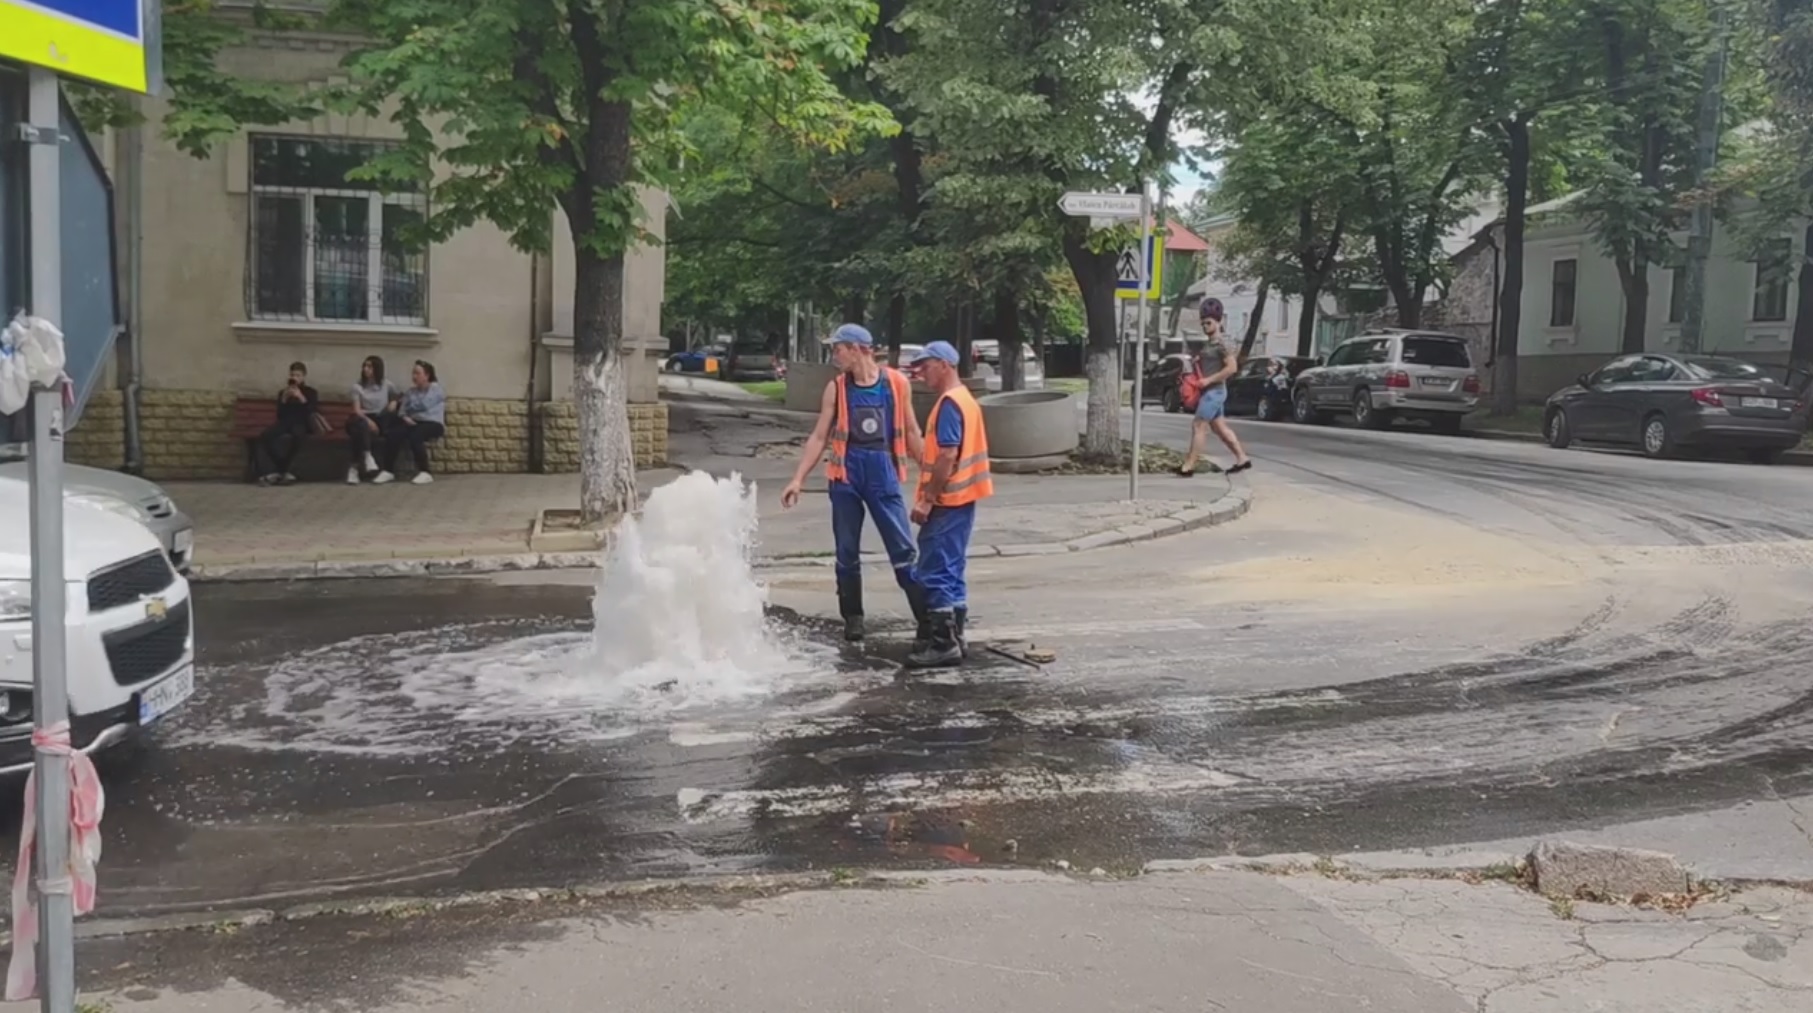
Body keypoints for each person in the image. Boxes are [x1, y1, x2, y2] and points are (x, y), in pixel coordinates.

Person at [781, 323, 929, 644]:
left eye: (839, 348)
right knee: (846, 551)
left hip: (883, 473)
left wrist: (930, 479)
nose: (835, 355)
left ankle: (927, 619)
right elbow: (820, 436)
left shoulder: (896, 384)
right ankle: (853, 617)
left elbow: (913, 432)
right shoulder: (837, 388)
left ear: (858, 348)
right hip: (845, 476)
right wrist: (798, 479)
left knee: (902, 547)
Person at [904, 341, 994, 669]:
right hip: (964, 499)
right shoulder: (966, 401)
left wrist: (927, 499)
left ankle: (942, 644)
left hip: (946, 500)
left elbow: (946, 455)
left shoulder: (948, 405)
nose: (920, 372)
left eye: (925, 366)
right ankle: (956, 634)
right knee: (952, 568)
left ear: (944, 365)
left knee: (935, 570)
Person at [1176, 298, 1252, 478]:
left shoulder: (1222, 344)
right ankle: (1242, 459)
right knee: (1220, 429)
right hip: (1209, 391)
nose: (1205, 326)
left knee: (1198, 425)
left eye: (1208, 322)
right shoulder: (1209, 344)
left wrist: (1208, 380)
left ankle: (1188, 466)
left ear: (1219, 322)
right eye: (1203, 323)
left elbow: (1231, 368)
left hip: (1215, 392)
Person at [375, 360, 446, 485]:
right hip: (412, 422)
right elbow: (402, 411)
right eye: (413, 373)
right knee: (394, 434)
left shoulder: (435, 389)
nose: (414, 376)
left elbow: (424, 405)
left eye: (418, 373)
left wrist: (410, 409)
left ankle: (425, 471)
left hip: (432, 423)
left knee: (416, 434)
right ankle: (388, 470)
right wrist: (405, 417)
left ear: (427, 375)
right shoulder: (411, 391)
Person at [254, 361, 319, 486]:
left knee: (298, 436)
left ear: (303, 377)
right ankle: (283, 469)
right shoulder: (283, 392)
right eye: (292, 375)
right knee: (266, 436)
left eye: (298, 375)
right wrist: (284, 399)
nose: (295, 378)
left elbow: (311, 411)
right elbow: (280, 415)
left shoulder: (310, 392)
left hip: (302, 422)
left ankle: (280, 471)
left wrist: (301, 398)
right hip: (285, 422)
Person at [345, 355, 400, 484]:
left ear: (377, 369)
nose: (366, 369)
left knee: (358, 433)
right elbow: (356, 410)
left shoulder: (387, 384)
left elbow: (396, 396)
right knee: (359, 426)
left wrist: (394, 402)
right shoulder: (357, 387)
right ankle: (368, 455)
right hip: (361, 418)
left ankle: (353, 469)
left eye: (369, 367)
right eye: (364, 366)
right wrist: (368, 421)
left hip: (379, 420)